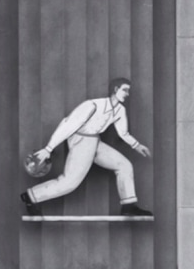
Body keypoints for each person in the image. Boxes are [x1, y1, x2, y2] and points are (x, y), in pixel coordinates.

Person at [21, 77, 153, 217]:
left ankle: (129, 207)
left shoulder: (120, 110)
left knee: (124, 165)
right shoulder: (93, 105)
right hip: (80, 140)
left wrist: (137, 145)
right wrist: (49, 148)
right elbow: (68, 124)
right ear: (115, 90)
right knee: (69, 183)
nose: (127, 94)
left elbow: (123, 133)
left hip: (95, 140)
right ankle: (30, 196)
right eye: (125, 90)